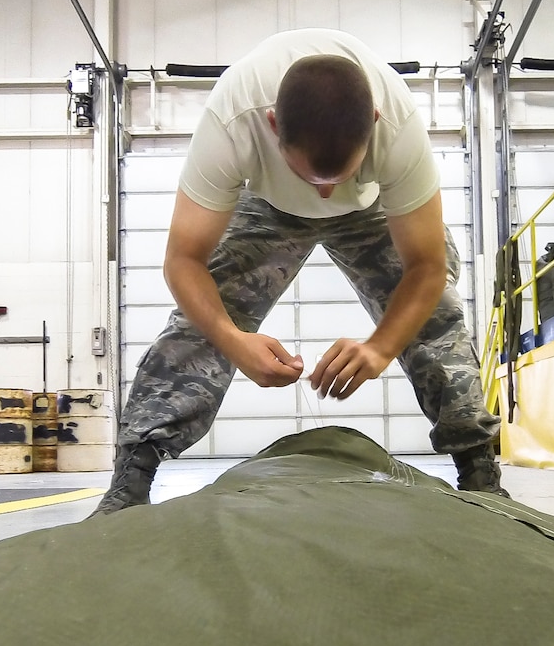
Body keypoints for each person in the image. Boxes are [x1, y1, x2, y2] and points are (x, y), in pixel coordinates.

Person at [95, 29, 506, 514]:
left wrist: (380, 347)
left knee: (435, 314)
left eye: (338, 177)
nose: (325, 196)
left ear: (373, 124)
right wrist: (232, 340)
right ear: (271, 125)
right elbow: (182, 261)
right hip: (269, 207)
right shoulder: (233, 122)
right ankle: (132, 478)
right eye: (312, 179)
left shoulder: (398, 127)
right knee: (202, 318)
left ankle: (479, 472)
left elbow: (427, 267)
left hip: (371, 209)